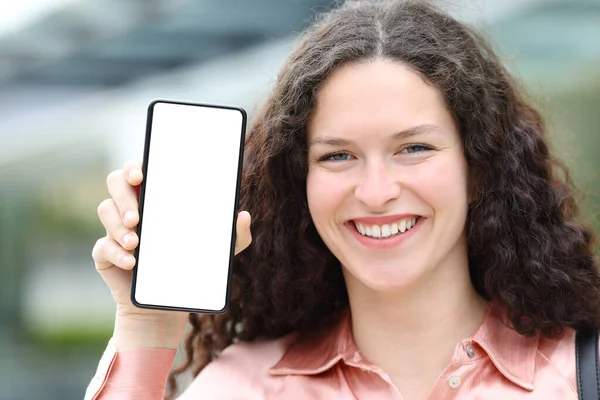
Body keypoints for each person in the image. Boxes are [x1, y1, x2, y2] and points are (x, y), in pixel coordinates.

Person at [86, 0, 600, 399]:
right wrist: (145, 325)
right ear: (297, 182)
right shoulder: (243, 386)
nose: (376, 192)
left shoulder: (583, 374)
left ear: (479, 166)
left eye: (414, 148)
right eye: (337, 157)